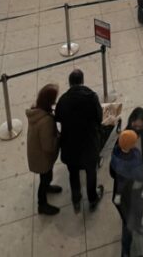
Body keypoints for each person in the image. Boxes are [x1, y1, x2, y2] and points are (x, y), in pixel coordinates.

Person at [55, 69, 105, 213]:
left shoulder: (63, 100)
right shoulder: (91, 97)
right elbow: (99, 118)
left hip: (70, 146)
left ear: (70, 83)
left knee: (73, 173)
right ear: (82, 81)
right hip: (88, 144)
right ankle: (92, 198)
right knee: (91, 172)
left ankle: (76, 198)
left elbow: (57, 120)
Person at [110, 129, 143, 257]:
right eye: (134, 141)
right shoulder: (132, 158)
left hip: (125, 193)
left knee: (138, 211)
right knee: (128, 224)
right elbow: (140, 173)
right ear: (129, 145)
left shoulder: (116, 153)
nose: (136, 143)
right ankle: (125, 250)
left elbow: (112, 174)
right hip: (128, 194)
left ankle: (138, 227)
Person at [26, 83, 63, 215]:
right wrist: (59, 137)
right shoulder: (46, 121)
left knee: (46, 176)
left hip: (37, 153)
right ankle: (42, 204)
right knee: (45, 178)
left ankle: (47, 187)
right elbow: (48, 146)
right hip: (42, 157)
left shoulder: (37, 112)